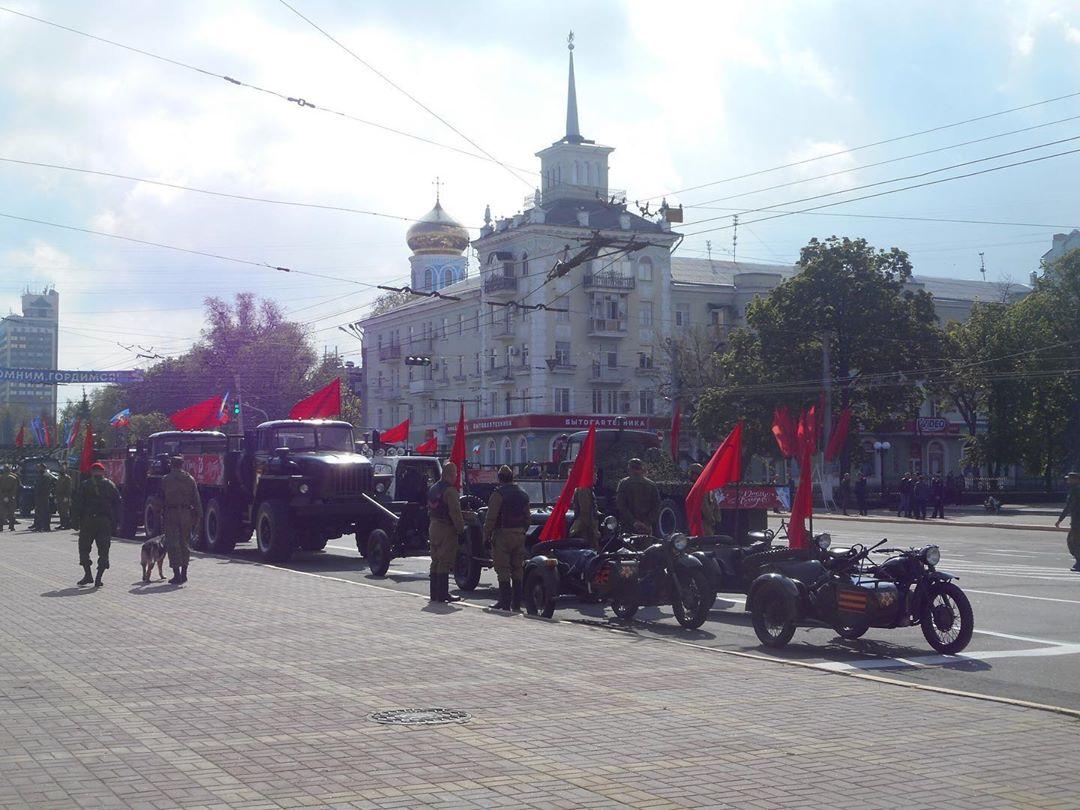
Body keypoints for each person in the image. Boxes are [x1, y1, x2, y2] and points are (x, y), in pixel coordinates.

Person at [483, 465, 530, 611]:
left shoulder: (498, 494)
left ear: (499, 479)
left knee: (503, 568)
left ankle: (504, 602)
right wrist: (522, 531)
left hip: (502, 534)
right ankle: (516, 604)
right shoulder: (523, 493)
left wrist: (486, 535)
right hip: (519, 534)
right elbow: (528, 517)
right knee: (517, 568)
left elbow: (491, 517)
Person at [73, 462, 120, 587]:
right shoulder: (110, 485)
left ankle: (88, 575)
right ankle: (98, 578)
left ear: (92, 472)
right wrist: (115, 523)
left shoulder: (85, 485)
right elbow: (118, 504)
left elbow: (77, 503)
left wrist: (75, 521)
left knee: (84, 548)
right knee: (104, 550)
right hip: (104, 522)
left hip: (88, 521)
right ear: (103, 472)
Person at [427, 461, 465, 603]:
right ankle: (442, 594)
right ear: (450, 474)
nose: (456, 477)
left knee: (435, 560)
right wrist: (461, 531)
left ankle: (434, 594)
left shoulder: (433, 488)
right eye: (455, 474)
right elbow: (455, 513)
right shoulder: (450, 491)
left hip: (433, 525)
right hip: (446, 529)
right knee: (444, 561)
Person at [161, 456, 202, 585]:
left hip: (171, 513)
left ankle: (176, 575)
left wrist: (159, 513)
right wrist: (199, 516)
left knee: (173, 543)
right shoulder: (190, 479)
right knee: (185, 543)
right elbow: (196, 498)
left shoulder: (166, 480)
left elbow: (160, 498)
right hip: (186, 514)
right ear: (182, 465)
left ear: (171, 465)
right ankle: (184, 574)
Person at [615, 458, 661, 534]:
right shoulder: (651, 484)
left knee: (628, 546)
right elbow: (657, 506)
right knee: (646, 545)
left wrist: (634, 522)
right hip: (646, 528)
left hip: (628, 527)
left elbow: (621, 505)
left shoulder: (623, 483)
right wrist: (647, 523)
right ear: (641, 469)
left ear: (629, 469)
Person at [1055, 471, 1080, 570]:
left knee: (1073, 542)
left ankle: (1079, 564)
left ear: (1075, 480)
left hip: (1077, 522)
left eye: (1069, 479)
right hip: (1076, 521)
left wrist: (1060, 520)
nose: (1067, 481)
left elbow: (1069, 506)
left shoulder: (1075, 490)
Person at [32, 463, 56, 531]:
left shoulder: (46, 476)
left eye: (39, 467)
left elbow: (45, 487)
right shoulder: (40, 475)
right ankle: (38, 527)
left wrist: (42, 494)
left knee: (45, 512)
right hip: (39, 496)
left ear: (43, 468)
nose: (38, 468)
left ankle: (46, 527)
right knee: (38, 512)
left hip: (43, 496)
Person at [0, 464, 19, 531]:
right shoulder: (14, 477)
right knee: (11, 512)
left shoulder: (1, 477)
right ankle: (11, 526)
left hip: (2, 496)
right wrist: (11, 495)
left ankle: (1, 527)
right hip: (11, 496)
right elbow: (16, 488)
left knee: (2, 512)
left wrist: (3, 495)